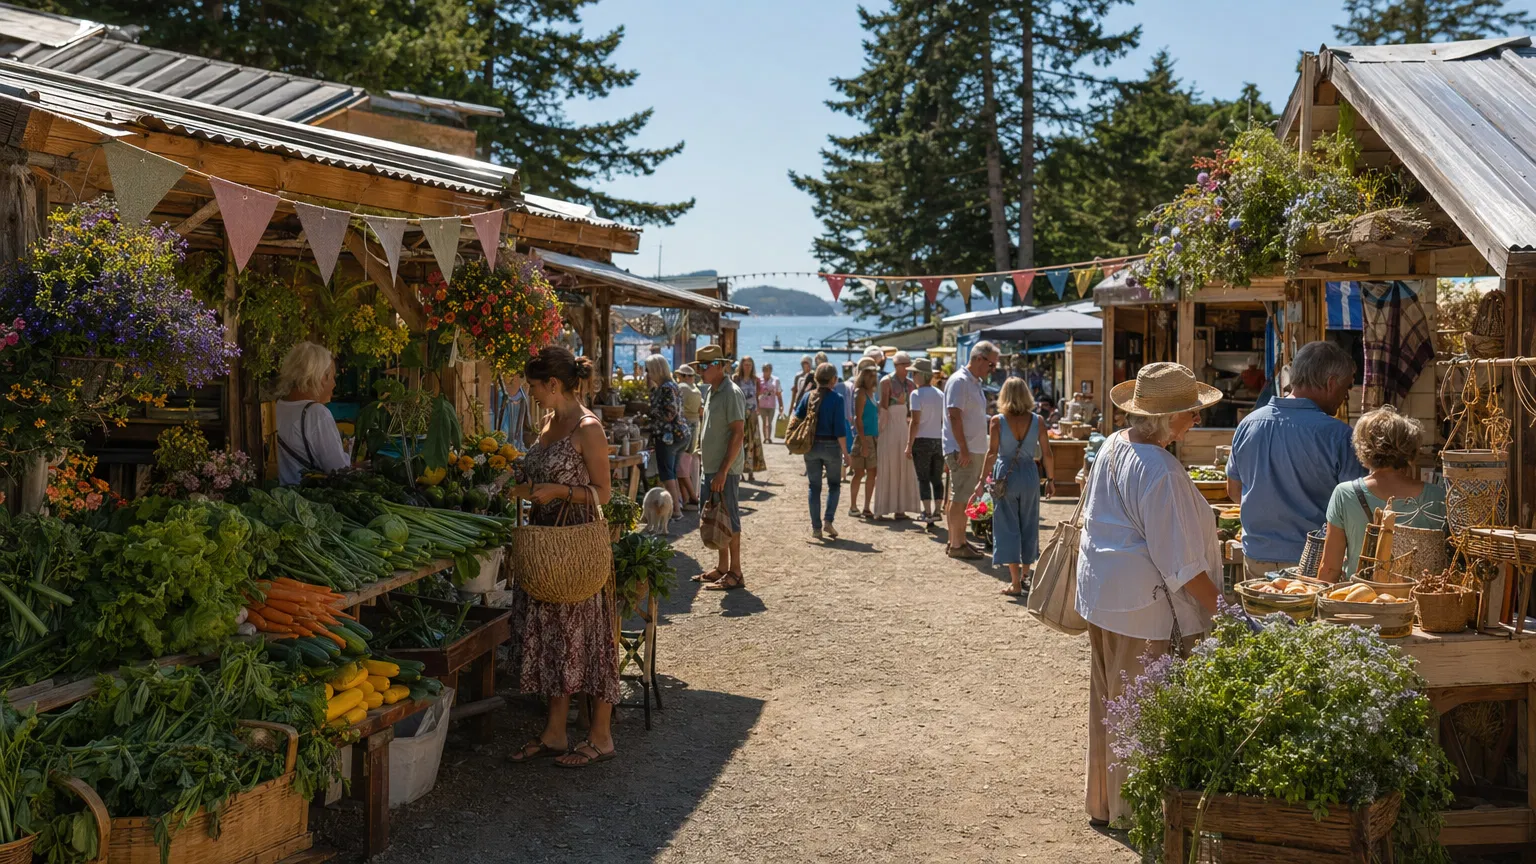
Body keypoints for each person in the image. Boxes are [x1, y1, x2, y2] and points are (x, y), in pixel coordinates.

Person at [1077, 362, 1223, 827]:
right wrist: (1228, 612)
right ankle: (1134, 813)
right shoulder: (1161, 470)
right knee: (1140, 713)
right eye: (1191, 413)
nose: (1196, 419)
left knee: (1111, 706)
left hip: (1106, 596)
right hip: (1144, 607)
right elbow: (1182, 565)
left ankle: (1105, 802)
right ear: (1167, 419)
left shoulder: (1116, 445)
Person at [506, 346, 619, 768]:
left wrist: (559, 492)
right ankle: (554, 734)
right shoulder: (550, 421)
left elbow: (605, 493)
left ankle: (601, 737)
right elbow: (539, 474)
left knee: (588, 638)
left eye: (534, 386)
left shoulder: (588, 427)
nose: (530, 393)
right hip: (546, 546)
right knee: (556, 637)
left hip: (576, 549)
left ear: (553, 385)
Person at [1227, 341, 1365, 580]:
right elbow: (1355, 507)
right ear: (1331, 383)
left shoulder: (1249, 424)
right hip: (1315, 563)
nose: (1345, 396)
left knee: (1261, 617)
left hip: (1257, 557)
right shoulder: (1339, 436)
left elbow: (1234, 489)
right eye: (1346, 387)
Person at [1319, 406, 1447, 582]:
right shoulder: (1438, 496)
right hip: (1422, 601)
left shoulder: (1345, 494)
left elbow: (1330, 569)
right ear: (1410, 449)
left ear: (1362, 448)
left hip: (1363, 601)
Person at [978, 378, 1057, 596]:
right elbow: (1047, 453)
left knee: (1007, 525)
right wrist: (1050, 480)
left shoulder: (997, 421)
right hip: (1030, 474)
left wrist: (981, 480)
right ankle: (1025, 576)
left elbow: (992, 453)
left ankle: (1014, 582)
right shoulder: (1038, 420)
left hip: (1005, 475)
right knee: (1029, 523)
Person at [695, 345, 747, 590]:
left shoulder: (731, 392)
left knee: (730, 518)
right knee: (717, 517)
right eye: (698, 367)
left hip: (724, 470)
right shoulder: (712, 391)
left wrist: (724, 470)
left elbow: (738, 434)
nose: (700, 371)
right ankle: (723, 568)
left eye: (704, 366)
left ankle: (735, 572)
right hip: (713, 467)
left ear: (719, 365)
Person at [943, 342, 999, 559]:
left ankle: (957, 540)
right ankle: (957, 544)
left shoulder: (972, 382)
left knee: (962, 496)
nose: (992, 369)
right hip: (963, 449)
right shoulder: (960, 381)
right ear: (979, 359)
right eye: (991, 364)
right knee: (961, 496)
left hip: (970, 447)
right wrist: (963, 449)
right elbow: (954, 416)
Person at [275, 341, 352, 485]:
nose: (334, 384)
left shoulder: (277, 406)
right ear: (321, 377)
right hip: (308, 500)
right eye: (332, 377)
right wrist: (347, 457)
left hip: (280, 495)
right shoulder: (317, 413)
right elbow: (339, 470)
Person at [794, 362, 851, 540]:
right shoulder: (837, 399)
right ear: (833, 379)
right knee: (834, 485)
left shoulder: (808, 397)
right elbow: (840, 430)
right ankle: (828, 520)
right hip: (832, 447)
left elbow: (796, 419)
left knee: (814, 487)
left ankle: (816, 528)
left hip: (811, 447)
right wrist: (846, 454)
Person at [873, 351, 921, 520]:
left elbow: (912, 410)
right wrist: (880, 430)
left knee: (903, 465)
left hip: (904, 426)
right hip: (890, 426)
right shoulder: (886, 382)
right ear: (897, 365)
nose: (908, 368)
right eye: (905, 364)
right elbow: (883, 408)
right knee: (889, 464)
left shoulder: (911, 384)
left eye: (909, 364)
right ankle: (883, 507)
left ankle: (901, 509)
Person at [644, 353, 689, 522]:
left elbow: (669, 414)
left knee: (667, 474)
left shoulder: (665, 388)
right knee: (672, 473)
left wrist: (650, 412)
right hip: (679, 434)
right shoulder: (670, 385)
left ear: (656, 370)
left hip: (668, 436)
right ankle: (675, 507)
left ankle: (675, 511)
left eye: (648, 370)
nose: (647, 373)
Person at [906, 358, 946, 527]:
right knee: (936, 478)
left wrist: (909, 444)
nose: (912, 376)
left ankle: (927, 512)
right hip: (938, 440)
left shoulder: (916, 394)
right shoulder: (940, 394)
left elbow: (915, 422)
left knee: (923, 478)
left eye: (914, 373)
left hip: (921, 441)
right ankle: (937, 511)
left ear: (920, 375)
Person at [847, 359, 881, 519]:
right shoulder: (860, 392)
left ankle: (867, 507)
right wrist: (864, 442)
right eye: (870, 374)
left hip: (873, 437)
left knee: (872, 473)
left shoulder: (871, 393)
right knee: (859, 472)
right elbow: (857, 419)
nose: (873, 377)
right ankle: (853, 506)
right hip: (864, 438)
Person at [735, 356, 767, 482]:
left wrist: (757, 410)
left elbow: (757, 396)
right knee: (739, 443)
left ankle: (751, 471)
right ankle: (739, 471)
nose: (747, 366)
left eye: (750, 364)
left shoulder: (756, 380)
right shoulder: (736, 379)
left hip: (752, 415)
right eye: (745, 364)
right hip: (739, 414)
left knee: (752, 443)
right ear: (741, 365)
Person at [675, 364, 703, 511]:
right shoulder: (697, 391)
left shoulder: (682, 388)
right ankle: (686, 498)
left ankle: (692, 497)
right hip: (695, 427)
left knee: (680, 466)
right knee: (685, 463)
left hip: (684, 427)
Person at [758, 362, 783, 444]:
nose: (766, 372)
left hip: (772, 404)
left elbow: (779, 393)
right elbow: (756, 393)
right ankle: (765, 438)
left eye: (768, 370)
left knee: (770, 422)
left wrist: (781, 405)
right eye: (765, 370)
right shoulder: (759, 380)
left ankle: (769, 437)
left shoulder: (776, 380)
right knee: (764, 422)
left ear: (771, 370)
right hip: (762, 404)